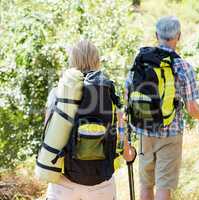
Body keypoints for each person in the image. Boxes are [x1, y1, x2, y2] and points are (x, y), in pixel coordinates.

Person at [125, 16, 199, 200]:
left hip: (144, 130)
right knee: (164, 185)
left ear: (156, 35)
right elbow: (192, 108)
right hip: (170, 134)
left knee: (146, 184)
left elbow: (127, 93)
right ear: (178, 36)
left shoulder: (141, 60)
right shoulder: (183, 66)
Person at [45, 40, 136, 200]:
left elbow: (48, 137)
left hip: (63, 183)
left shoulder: (58, 92)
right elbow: (123, 147)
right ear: (97, 61)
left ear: (72, 61)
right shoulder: (108, 94)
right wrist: (131, 154)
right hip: (101, 185)